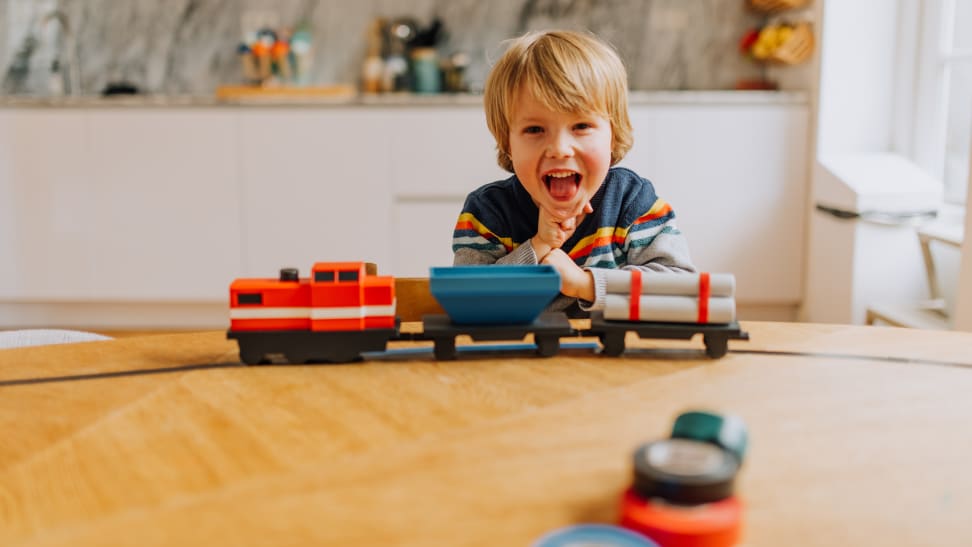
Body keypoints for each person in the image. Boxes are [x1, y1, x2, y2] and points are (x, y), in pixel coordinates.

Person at [452, 30, 696, 315]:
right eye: (534, 129)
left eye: (581, 127)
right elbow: (469, 302)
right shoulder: (487, 213)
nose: (559, 149)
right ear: (507, 143)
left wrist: (585, 284)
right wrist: (539, 246)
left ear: (613, 135)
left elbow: (684, 292)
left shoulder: (634, 202)